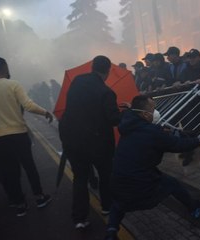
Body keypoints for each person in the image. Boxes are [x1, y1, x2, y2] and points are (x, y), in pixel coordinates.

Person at [104, 95, 200, 240]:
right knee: (172, 184)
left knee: (119, 204)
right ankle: (194, 207)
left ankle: (111, 231)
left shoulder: (128, 125)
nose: (156, 112)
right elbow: (177, 145)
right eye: (153, 109)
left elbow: (142, 127)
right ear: (145, 114)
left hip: (117, 180)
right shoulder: (152, 132)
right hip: (140, 184)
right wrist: (197, 141)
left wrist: (132, 110)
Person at [59, 55, 121, 229]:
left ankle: (80, 218)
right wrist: (126, 111)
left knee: (80, 178)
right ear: (107, 70)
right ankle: (107, 207)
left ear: (92, 67)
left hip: (73, 140)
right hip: (98, 143)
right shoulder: (107, 92)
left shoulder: (77, 81)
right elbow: (114, 119)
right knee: (105, 175)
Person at [0, 57, 53, 217]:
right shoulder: (13, 85)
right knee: (29, 166)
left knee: (10, 171)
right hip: (18, 134)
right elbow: (28, 105)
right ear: (4, 67)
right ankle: (39, 197)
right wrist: (45, 112)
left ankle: (20, 205)